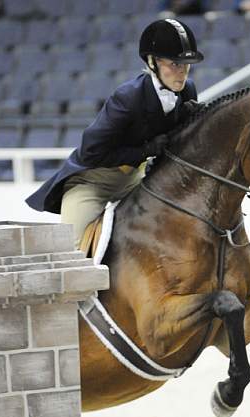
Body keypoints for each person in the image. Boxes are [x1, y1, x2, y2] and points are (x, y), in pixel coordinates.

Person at [25, 19, 204, 250]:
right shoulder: (128, 97)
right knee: (73, 255)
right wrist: (145, 151)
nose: (182, 72)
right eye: (174, 64)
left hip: (134, 179)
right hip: (93, 181)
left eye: (186, 65)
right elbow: (92, 152)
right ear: (152, 62)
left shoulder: (187, 89)